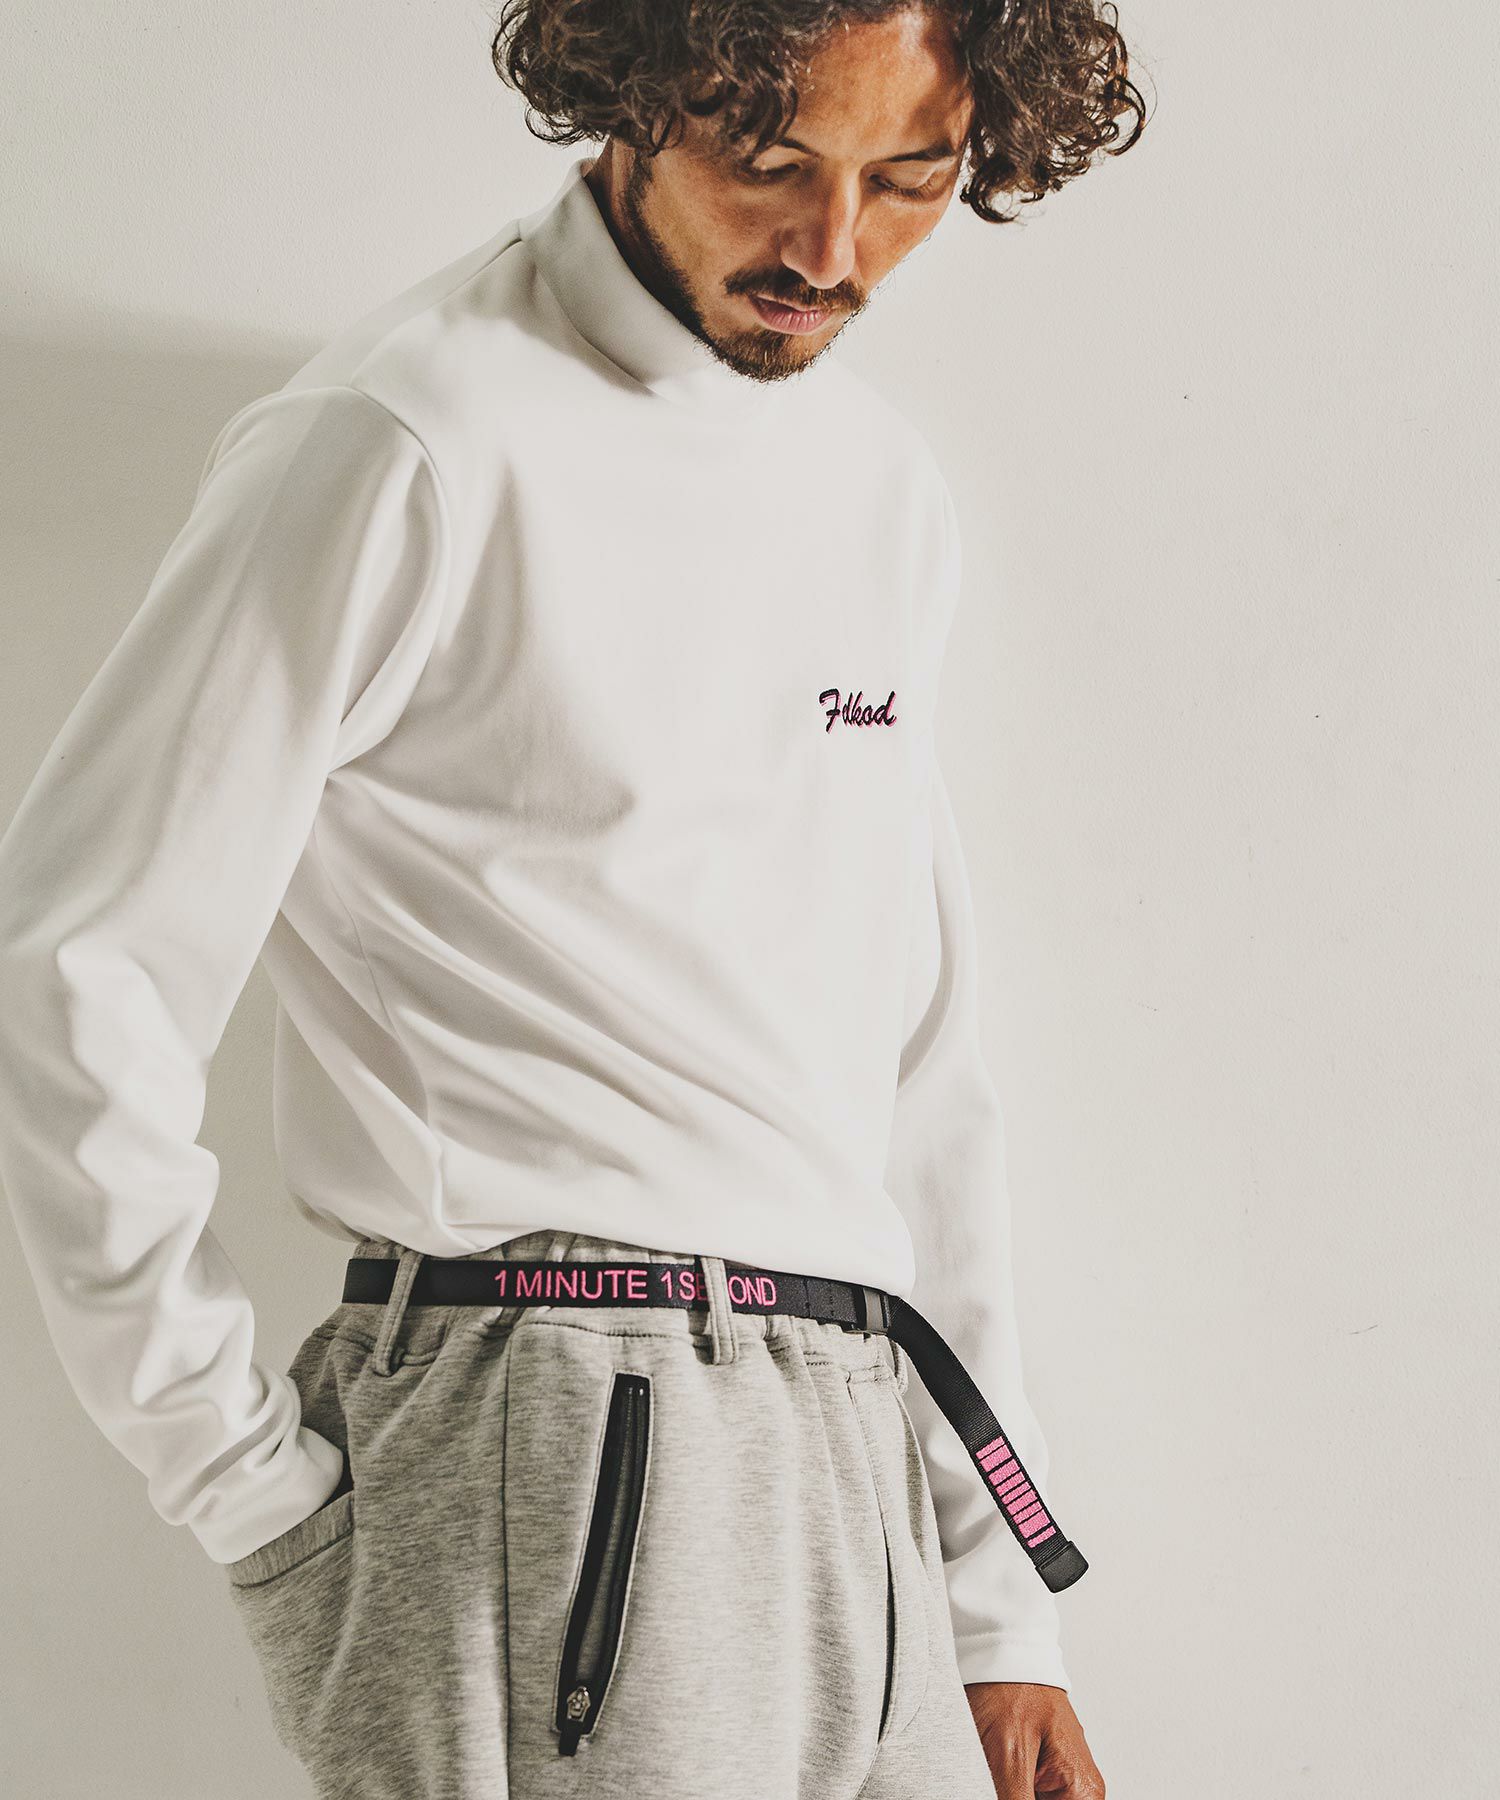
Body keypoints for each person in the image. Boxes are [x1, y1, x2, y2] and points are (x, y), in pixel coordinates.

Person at [0, 3, 1145, 1795]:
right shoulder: (407, 436)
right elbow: (80, 961)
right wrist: (247, 1490)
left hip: (861, 1443)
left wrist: (999, 1610)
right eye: (771, 161)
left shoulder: (879, 488)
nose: (833, 247)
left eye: (909, 180)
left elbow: (913, 1064)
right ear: (635, 92)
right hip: (559, 1428)